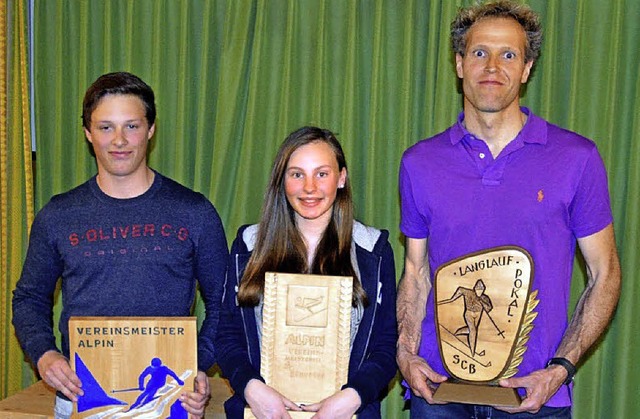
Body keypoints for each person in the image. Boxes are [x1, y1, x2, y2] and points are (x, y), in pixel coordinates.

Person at [396, 1, 621, 418]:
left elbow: (604, 273)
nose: (493, 66)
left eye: (509, 54)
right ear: (460, 63)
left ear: (527, 68)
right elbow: (415, 272)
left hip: (535, 397)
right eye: (480, 52)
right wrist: (406, 354)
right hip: (440, 398)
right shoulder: (419, 163)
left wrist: (559, 369)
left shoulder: (576, 158)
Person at [12, 72, 228, 418]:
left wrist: (196, 365)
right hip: (83, 398)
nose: (119, 140)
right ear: (87, 133)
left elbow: (224, 302)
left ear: (151, 129)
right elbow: (29, 298)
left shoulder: (194, 212)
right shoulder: (59, 215)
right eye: (105, 127)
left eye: (132, 126)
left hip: (173, 403)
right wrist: (44, 354)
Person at [216, 126, 397, 418]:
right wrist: (252, 389)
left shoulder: (373, 251)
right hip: (260, 411)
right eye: (297, 174)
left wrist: (352, 397)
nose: (309, 188)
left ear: (342, 178)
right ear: (282, 180)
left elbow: (386, 345)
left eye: (321, 174)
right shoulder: (248, 245)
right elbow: (227, 337)